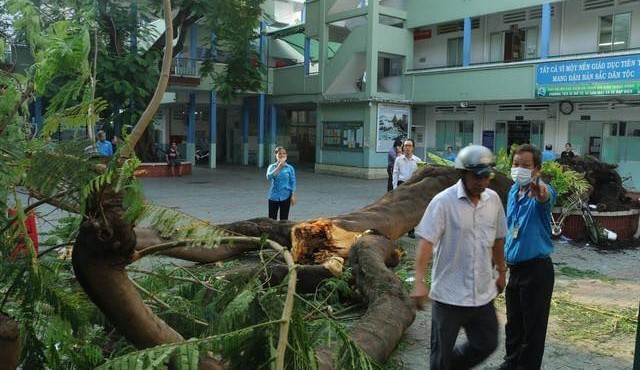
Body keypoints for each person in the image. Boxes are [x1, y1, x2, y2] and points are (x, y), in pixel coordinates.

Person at [411, 145, 508, 370]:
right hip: (449, 297)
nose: (482, 182)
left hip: (482, 294)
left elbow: (498, 239)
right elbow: (426, 241)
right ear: (463, 173)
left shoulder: (493, 200)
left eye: (487, 176)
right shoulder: (443, 202)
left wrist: (502, 272)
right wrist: (418, 282)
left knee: (487, 343)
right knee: (440, 357)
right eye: (477, 176)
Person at [496, 144, 557, 370]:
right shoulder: (513, 192)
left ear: (537, 170)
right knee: (514, 324)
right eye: (515, 164)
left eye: (526, 166)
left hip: (537, 271)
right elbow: (511, 226)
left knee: (533, 329)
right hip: (516, 270)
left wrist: (541, 192)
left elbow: (546, 197)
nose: (519, 169)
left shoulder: (541, 190)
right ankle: (511, 364)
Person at [393, 138, 422, 238]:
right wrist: (395, 188)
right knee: (400, 208)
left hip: (413, 186)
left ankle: (411, 230)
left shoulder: (418, 161)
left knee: (411, 210)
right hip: (402, 185)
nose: (407, 148)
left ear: (413, 148)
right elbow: (395, 174)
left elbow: (421, 176)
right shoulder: (398, 159)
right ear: (403, 148)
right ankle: (399, 229)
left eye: (409, 146)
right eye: (405, 146)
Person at [266, 146, 297, 220]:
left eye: (284, 153)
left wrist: (293, 196)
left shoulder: (290, 168)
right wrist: (279, 167)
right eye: (279, 153)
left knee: (284, 219)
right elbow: (268, 177)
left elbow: (293, 182)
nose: (282, 155)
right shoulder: (272, 166)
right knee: (271, 219)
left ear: (286, 155)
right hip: (274, 196)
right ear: (276, 155)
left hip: (286, 196)